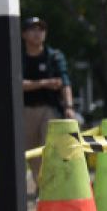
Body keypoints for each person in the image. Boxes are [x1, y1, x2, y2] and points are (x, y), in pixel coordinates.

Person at [20, 16, 75, 190]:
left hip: (49, 110)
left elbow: (65, 82)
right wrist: (44, 83)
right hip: (26, 111)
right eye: (33, 29)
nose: (38, 33)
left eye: (41, 30)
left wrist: (69, 107)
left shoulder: (54, 57)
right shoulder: (18, 58)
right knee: (32, 154)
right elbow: (18, 84)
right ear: (24, 34)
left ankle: (52, 187)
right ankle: (41, 186)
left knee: (48, 149)